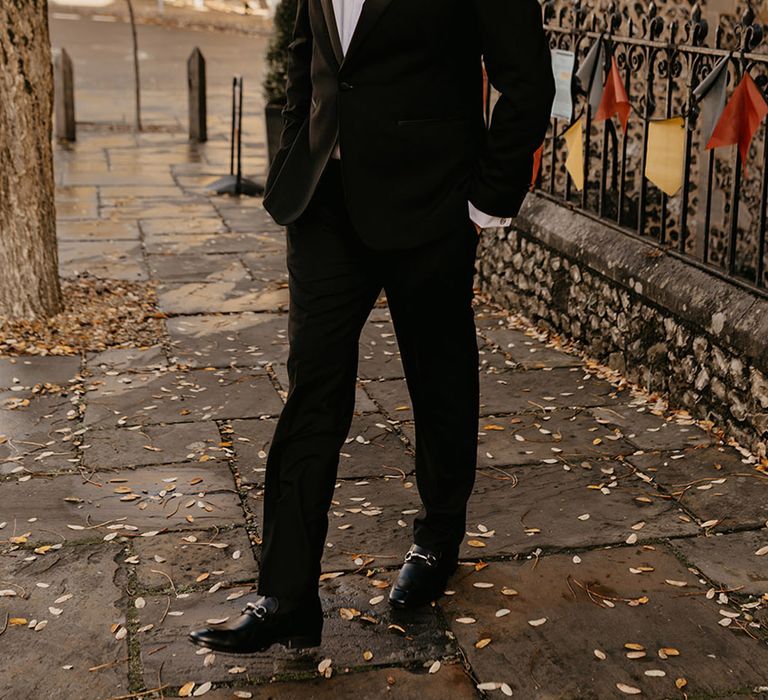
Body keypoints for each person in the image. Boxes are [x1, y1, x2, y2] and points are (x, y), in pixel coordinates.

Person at [190, 0, 555, 654]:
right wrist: (291, 150)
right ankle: (286, 597)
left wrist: (486, 199)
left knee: (438, 375)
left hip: (432, 202)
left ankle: (438, 539)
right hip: (324, 209)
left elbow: (527, 79)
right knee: (313, 384)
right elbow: (307, 51)